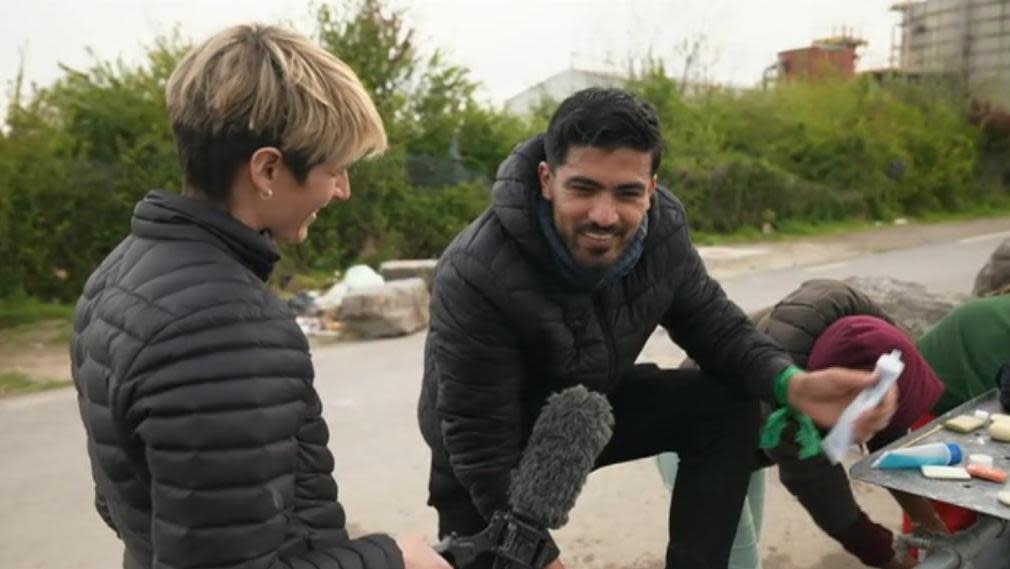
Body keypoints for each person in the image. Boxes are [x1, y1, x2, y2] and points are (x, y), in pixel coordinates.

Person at [417, 88, 898, 569]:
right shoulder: (475, 270)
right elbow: (480, 446)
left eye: (627, 193)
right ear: (547, 180)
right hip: (486, 443)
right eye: (583, 189)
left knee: (723, 404)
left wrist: (793, 384)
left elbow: (714, 326)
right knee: (494, 554)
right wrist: (536, 554)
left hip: (587, 406)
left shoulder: (662, 231)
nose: (604, 217)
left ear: (650, 188)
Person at [71, 24, 448, 569]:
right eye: (334, 169)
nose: (342, 191)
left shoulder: (116, 275)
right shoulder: (224, 324)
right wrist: (393, 560)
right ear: (267, 168)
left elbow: (125, 501)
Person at [659, 279, 946, 569]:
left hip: (743, 436)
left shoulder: (860, 327)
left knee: (745, 545)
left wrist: (928, 521)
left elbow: (888, 439)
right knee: (739, 560)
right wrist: (888, 557)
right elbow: (823, 493)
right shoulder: (787, 411)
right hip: (694, 438)